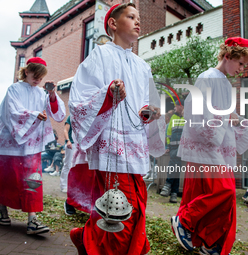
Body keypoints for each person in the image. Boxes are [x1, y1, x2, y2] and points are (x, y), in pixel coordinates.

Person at [68, 3, 165, 255]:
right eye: (131, 17)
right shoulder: (100, 55)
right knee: (122, 210)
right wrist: (108, 94)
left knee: (128, 205)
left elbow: (143, 105)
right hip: (111, 147)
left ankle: (86, 237)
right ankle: (95, 242)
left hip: (135, 145)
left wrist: (149, 112)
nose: (137, 21)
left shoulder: (142, 66)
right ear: (113, 23)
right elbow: (80, 100)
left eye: (138, 17)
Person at [171, 37, 248, 255]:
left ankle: (209, 242)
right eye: (240, 63)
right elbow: (195, 108)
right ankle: (185, 221)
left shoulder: (225, 83)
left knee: (219, 195)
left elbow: (229, 114)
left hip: (216, 147)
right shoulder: (208, 77)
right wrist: (224, 119)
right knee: (224, 191)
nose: (242, 69)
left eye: (245, 65)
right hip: (205, 146)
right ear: (227, 56)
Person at [0, 57, 66, 235]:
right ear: (27, 71)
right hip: (10, 143)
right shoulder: (14, 89)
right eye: (36, 75)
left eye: (41, 78)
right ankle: (2, 209)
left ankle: (32, 219)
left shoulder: (42, 93)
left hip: (31, 145)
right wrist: (34, 115)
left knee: (32, 179)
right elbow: (11, 111)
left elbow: (57, 115)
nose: (38, 80)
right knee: (8, 176)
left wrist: (51, 95)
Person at [160, 100, 185, 203]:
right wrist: (167, 145)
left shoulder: (186, 118)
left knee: (173, 165)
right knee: (176, 169)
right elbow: (168, 132)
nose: (175, 107)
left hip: (181, 147)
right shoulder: (173, 118)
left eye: (176, 105)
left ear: (181, 106)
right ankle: (173, 194)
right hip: (173, 147)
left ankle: (168, 184)